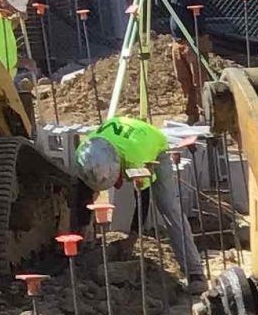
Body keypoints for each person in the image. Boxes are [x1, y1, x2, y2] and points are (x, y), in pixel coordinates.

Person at [75, 116, 207, 286]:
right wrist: (83, 225)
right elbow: (83, 187)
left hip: (153, 145)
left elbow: (143, 199)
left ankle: (195, 272)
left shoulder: (136, 160)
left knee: (168, 206)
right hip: (125, 140)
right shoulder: (85, 153)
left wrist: (132, 238)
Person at [165, 0, 209, 118]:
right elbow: (161, 5)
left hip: (194, 40)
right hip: (178, 42)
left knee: (199, 80)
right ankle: (191, 114)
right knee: (183, 79)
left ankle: (206, 113)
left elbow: (190, 2)